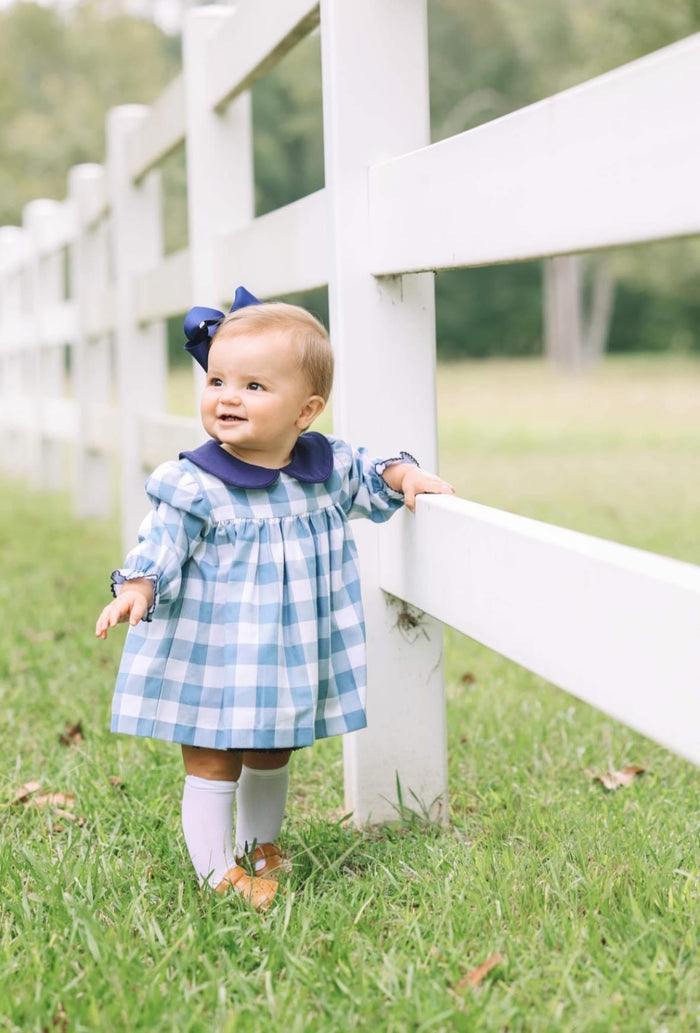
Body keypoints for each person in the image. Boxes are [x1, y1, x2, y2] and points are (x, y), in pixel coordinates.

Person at [95, 287, 454, 910]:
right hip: (211, 647)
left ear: (306, 410)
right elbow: (163, 540)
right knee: (212, 758)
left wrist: (407, 476)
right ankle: (216, 873)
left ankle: (262, 845)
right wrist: (138, 584)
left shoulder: (326, 466)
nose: (228, 396)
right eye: (217, 381)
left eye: (254, 387)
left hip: (284, 650)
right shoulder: (195, 480)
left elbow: (376, 473)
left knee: (269, 748)